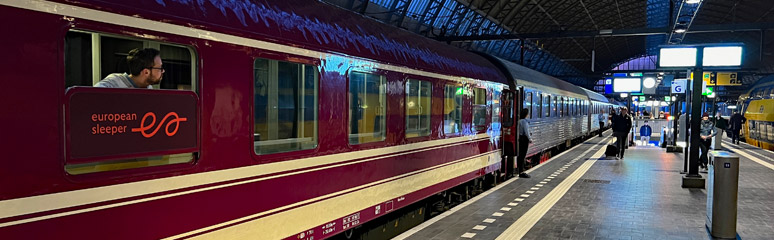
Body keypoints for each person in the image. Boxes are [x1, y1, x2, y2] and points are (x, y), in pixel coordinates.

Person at [94, 48, 164, 88]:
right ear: (146, 72)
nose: (163, 71)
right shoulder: (113, 83)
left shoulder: (148, 88)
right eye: (160, 68)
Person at [517, 108, 532, 178]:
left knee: (520, 155)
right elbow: (526, 132)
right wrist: (530, 139)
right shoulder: (524, 122)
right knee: (522, 156)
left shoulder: (519, 121)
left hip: (520, 139)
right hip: (524, 140)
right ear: (526, 114)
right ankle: (521, 172)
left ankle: (520, 170)